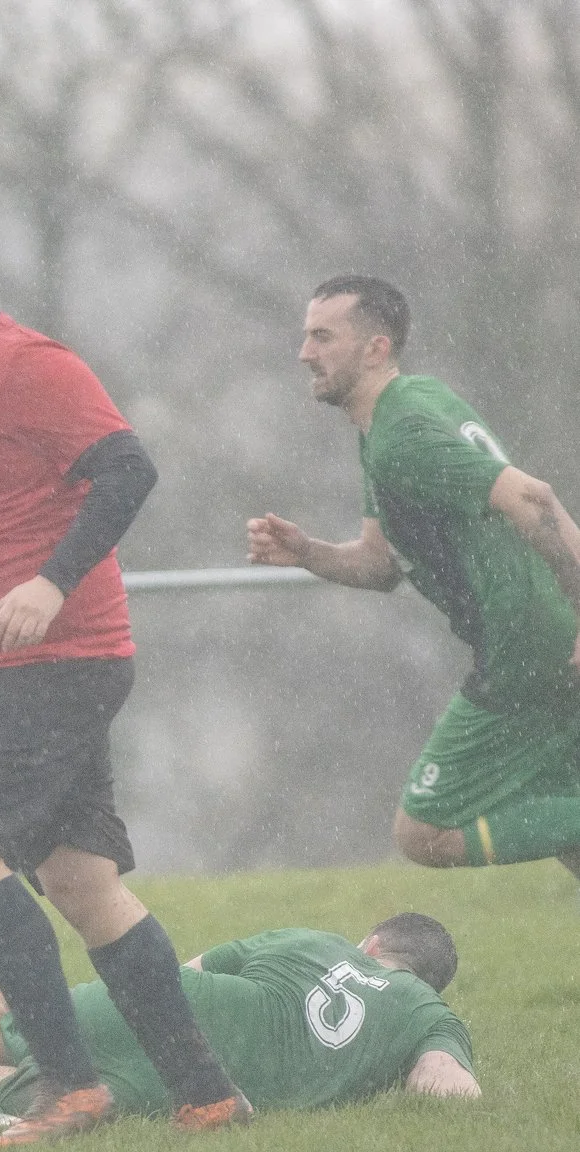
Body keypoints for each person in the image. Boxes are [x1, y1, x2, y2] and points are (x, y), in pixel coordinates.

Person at [0, 195, 250, 1147]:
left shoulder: (26, 363)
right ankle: (207, 1095)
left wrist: (49, 580)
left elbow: (128, 471)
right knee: (81, 881)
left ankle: (70, 1087)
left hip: (53, 659)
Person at [246, 275, 580, 878]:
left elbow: (533, 502)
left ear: (376, 347)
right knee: (566, 828)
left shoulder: (402, 438)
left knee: (424, 831)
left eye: (323, 337)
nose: (304, 353)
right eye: (306, 336)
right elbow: (379, 566)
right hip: (545, 636)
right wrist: (308, 552)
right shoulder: (405, 410)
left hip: (530, 647)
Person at [0, 867, 478, 1140]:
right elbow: (446, 1090)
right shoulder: (425, 1015)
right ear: (418, 974)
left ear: (373, 942)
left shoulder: (314, 940)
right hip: (198, 1082)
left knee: (8, 1027)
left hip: (178, 1013)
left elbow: (168, 970)